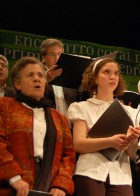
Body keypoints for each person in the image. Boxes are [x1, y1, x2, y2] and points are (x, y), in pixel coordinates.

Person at [0, 56, 76, 196]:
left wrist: (61, 185)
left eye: (40, 75)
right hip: (10, 187)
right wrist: (14, 177)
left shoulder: (60, 118)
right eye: (30, 75)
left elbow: (69, 155)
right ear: (17, 84)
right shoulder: (4, 106)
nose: (37, 79)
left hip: (48, 189)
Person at [67, 58, 140, 196]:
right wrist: (110, 141)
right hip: (90, 172)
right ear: (95, 78)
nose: (112, 77)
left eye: (116, 73)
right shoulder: (82, 107)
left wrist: (133, 139)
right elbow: (78, 144)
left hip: (121, 175)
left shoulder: (130, 111)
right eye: (106, 72)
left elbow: (131, 153)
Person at [40, 38, 78, 116]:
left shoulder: (70, 77)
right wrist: (46, 79)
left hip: (69, 125)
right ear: (43, 58)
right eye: (52, 54)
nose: (57, 58)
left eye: (59, 54)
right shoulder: (39, 76)